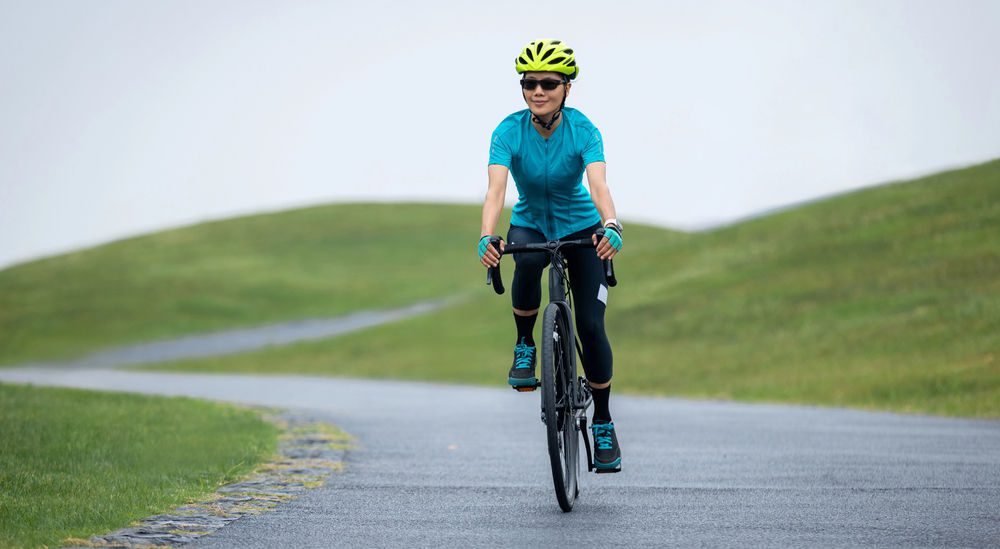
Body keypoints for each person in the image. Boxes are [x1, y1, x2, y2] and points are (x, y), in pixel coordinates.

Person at [478, 39, 623, 471]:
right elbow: (496, 190)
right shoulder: (507, 131)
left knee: (591, 326)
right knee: (522, 257)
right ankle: (525, 345)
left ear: (566, 89)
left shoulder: (584, 130)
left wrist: (611, 225)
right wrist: (487, 236)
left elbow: (598, 186)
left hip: (582, 228)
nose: (537, 91)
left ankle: (603, 422)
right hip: (531, 223)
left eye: (548, 83)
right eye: (529, 83)